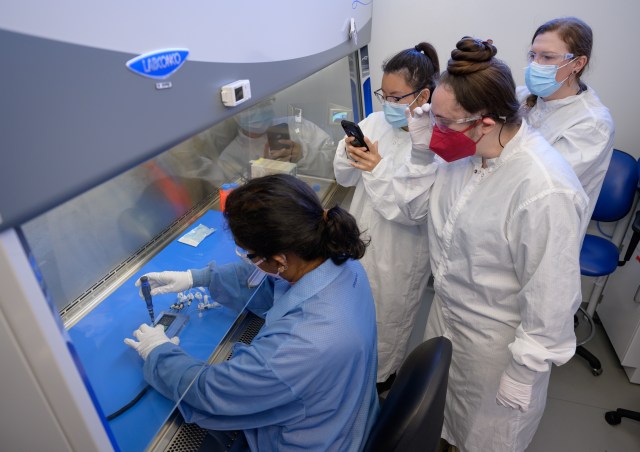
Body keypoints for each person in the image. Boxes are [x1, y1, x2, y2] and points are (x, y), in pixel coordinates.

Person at [387, 37, 589, 451]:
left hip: (497, 347)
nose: (436, 129)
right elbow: (412, 212)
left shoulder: (542, 189)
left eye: (444, 122)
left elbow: (550, 297)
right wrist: (423, 153)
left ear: (486, 122)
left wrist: (525, 371)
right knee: (435, 428)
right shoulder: (465, 154)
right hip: (446, 318)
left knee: (480, 439)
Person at [124, 174, 379, 451]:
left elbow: (211, 390)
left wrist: (159, 354)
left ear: (280, 259)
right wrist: (198, 278)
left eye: (250, 255)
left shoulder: (298, 347)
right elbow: (272, 287)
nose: (249, 261)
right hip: (345, 417)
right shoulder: (343, 264)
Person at [333, 42, 440, 391]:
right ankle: (347, 381)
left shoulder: (435, 143)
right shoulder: (375, 122)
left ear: (422, 94)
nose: (388, 104)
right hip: (359, 239)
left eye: (397, 97)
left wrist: (377, 168)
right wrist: (350, 152)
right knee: (349, 318)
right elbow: (343, 178)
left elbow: (410, 211)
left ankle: (379, 385)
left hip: (401, 252)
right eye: (384, 95)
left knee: (386, 324)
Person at [519, 16, 615, 218]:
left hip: (546, 222)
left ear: (577, 63)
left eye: (547, 57)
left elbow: (538, 182)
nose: (535, 65)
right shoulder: (520, 96)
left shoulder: (593, 123)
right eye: (533, 55)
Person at [213, 98, 336, 181]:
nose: (258, 111)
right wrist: (264, 171)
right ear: (234, 114)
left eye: (263, 103)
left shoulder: (298, 125)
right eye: (249, 108)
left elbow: (335, 165)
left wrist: (303, 155)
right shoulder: (229, 158)